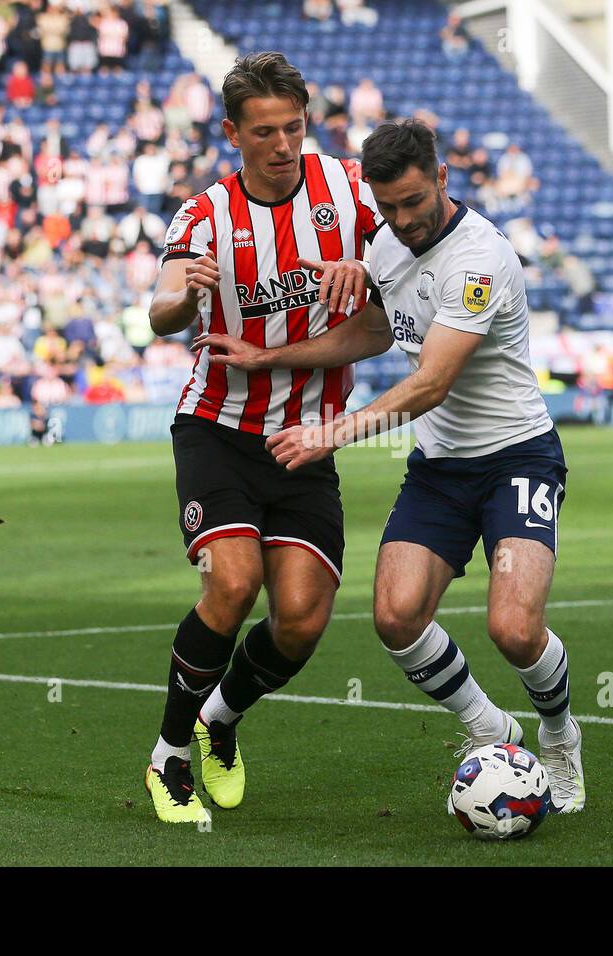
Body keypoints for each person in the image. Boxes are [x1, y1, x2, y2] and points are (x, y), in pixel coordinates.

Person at [197, 119, 585, 813]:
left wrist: (331, 432)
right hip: (441, 464)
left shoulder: (480, 260)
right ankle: (489, 729)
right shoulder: (384, 242)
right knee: (396, 617)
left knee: (514, 629)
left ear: (441, 178)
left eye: (415, 203)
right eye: (389, 208)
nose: (403, 220)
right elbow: (374, 332)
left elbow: (432, 381)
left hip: (517, 456)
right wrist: (272, 356)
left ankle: (558, 738)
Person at [144, 53, 380, 824]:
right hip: (217, 428)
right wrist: (188, 298)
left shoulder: (351, 191)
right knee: (233, 581)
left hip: (307, 438)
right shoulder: (202, 215)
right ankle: (170, 757)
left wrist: (371, 271)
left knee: (303, 619)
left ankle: (222, 717)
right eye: (264, 133)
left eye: (294, 128)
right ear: (231, 133)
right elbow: (162, 311)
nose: (282, 146)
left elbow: (390, 307)